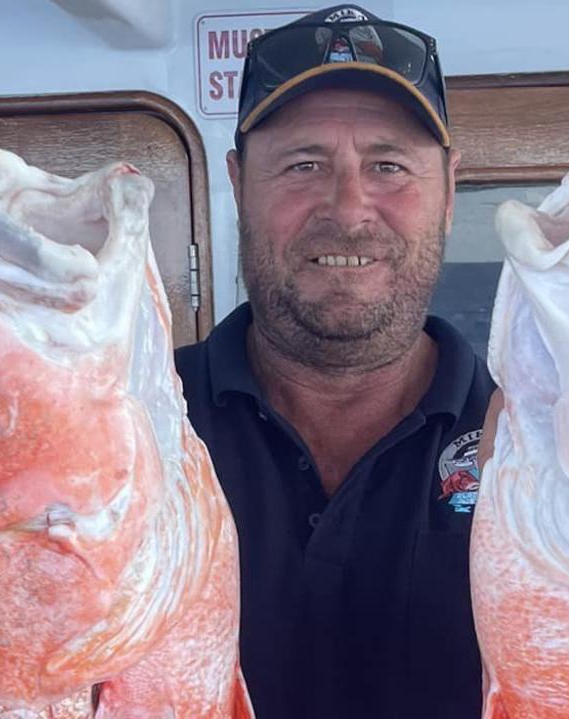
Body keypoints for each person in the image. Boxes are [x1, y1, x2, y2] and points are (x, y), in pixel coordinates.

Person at [174, 5, 494, 717]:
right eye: (302, 164)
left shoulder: (539, 442)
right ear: (236, 184)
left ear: (448, 192)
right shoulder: (130, 423)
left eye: (388, 165)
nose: (348, 208)